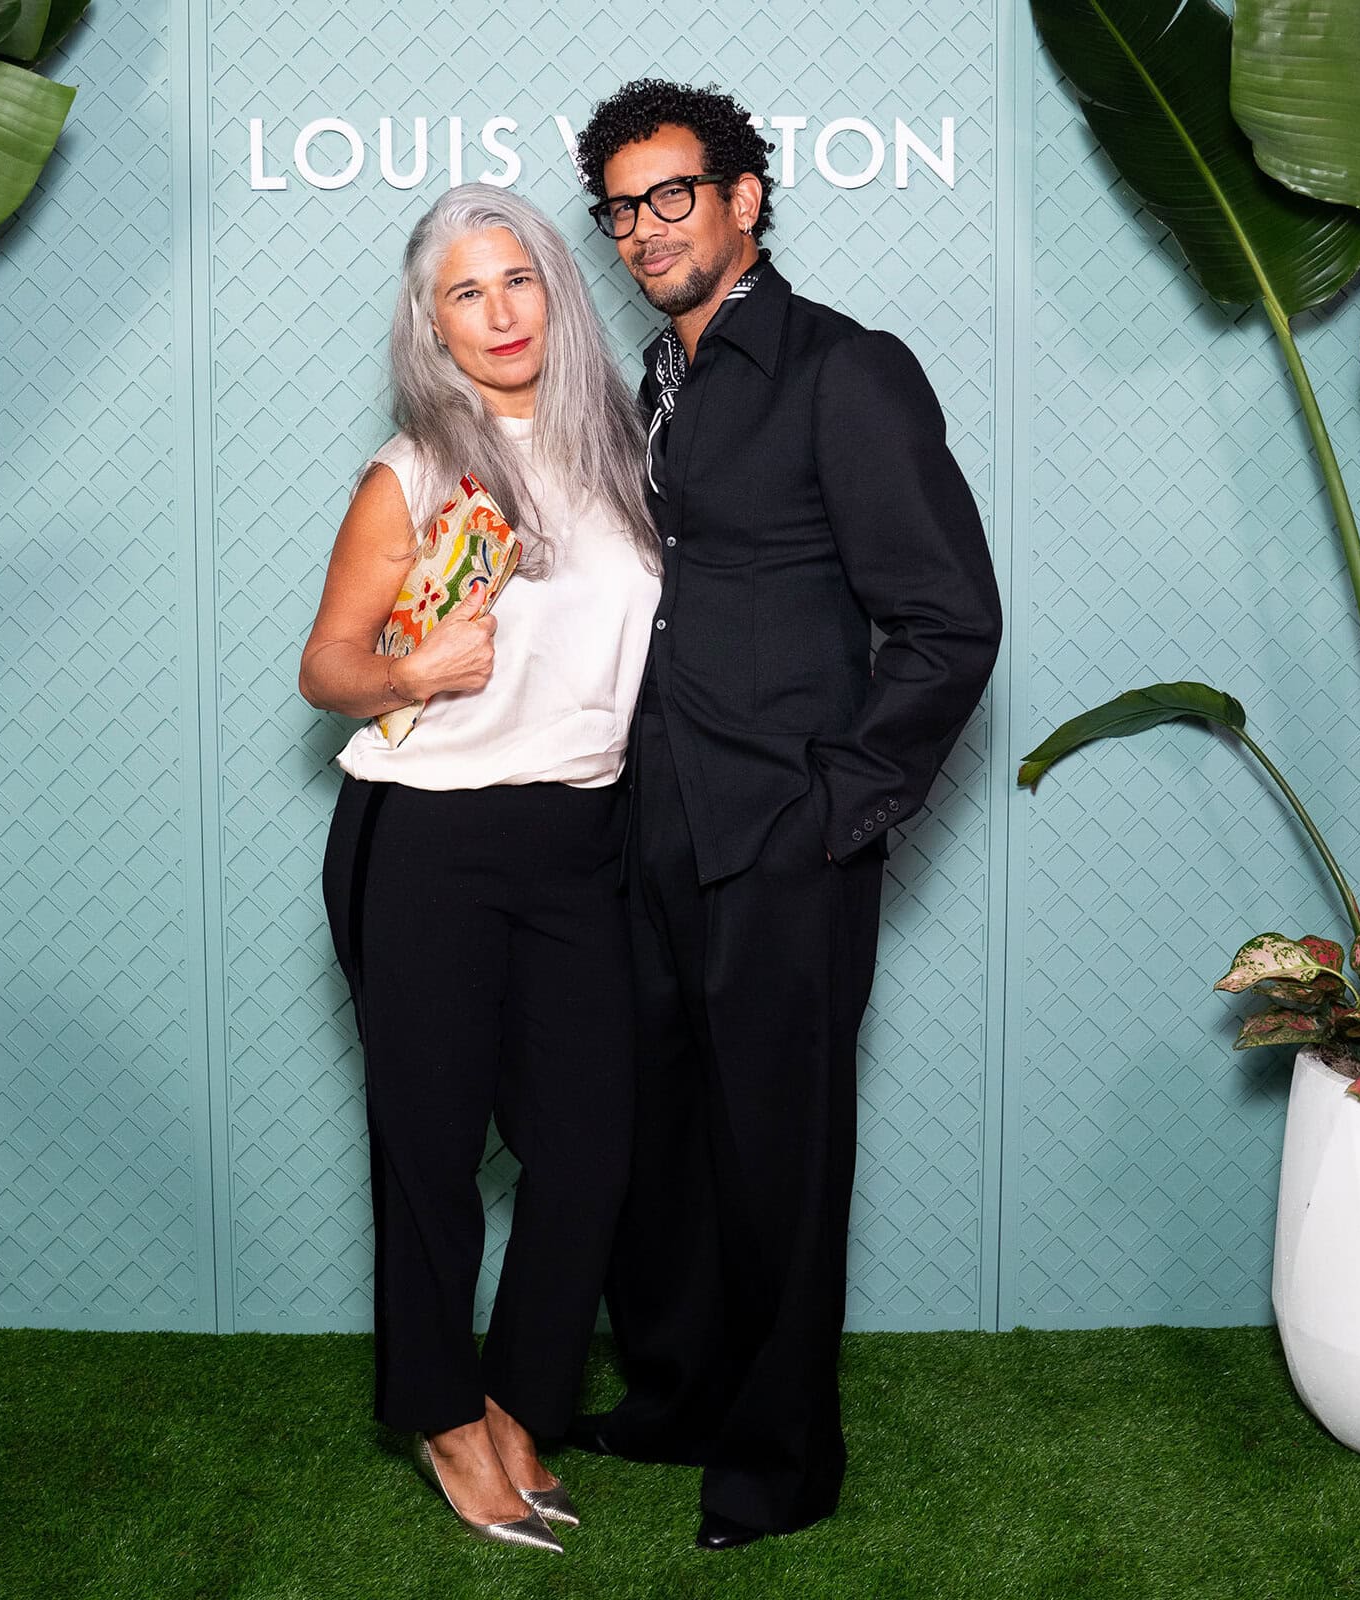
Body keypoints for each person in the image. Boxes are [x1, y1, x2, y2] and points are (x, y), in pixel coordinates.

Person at [564, 80, 1004, 1549]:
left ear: (745, 197)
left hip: (782, 837)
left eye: (671, 196)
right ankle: (679, 1394)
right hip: (644, 824)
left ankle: (781, 1458)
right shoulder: (648, 386)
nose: (644, 230)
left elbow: (948, 619)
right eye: (621, 210)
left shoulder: (845, 371)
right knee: (659, 1136)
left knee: (777, 1154)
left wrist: (839, 811)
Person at [299, 182, 661, 1553]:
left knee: (588, 1152)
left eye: (520, 281)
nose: (500, 313)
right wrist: (411, 670)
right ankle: (444, 1415)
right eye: (467, 291)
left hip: (580, 835)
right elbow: (326, 667)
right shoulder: (412, 472)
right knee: (432, 1154)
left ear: (557, 294)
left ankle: (520, 1396)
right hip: (427, 839)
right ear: (431, 323)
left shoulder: (623, 452)